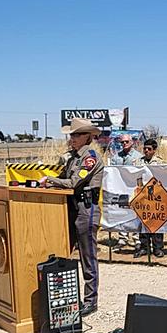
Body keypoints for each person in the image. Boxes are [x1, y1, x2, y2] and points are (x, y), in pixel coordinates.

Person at [41, 118, 104, 317]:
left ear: (88, 137)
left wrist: (50, 180)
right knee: (63, 252)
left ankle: (90, 300)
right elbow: (64, 177)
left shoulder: (90, 157)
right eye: (71, 135)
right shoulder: (73, 157)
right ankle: (65, 295)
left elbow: (74, 182)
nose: (72, 138)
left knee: (88, 256)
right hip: (72, 207)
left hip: (87, 209)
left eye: (76, 135)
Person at [110, 133, 144, 252]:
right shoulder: (116, 157)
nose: (124, 144)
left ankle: (136, 238)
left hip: (133, 189)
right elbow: (112, 172)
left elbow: (140, 174)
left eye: (126, 142)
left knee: (135, 213)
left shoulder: (138, 157)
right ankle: (122, 238)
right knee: (121, 213)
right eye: (122, 142)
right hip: (120, 189)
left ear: (132, 142)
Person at [133, 138, 165, 259]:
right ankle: (144, 247)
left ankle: (158, 248)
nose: (146, 151)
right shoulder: (138, 162)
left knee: (156, 223)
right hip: (142, 196)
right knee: (142, 223)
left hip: (156, 196)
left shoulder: (160, 162)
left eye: (149, 149)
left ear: (154, 150)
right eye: (145, 148)